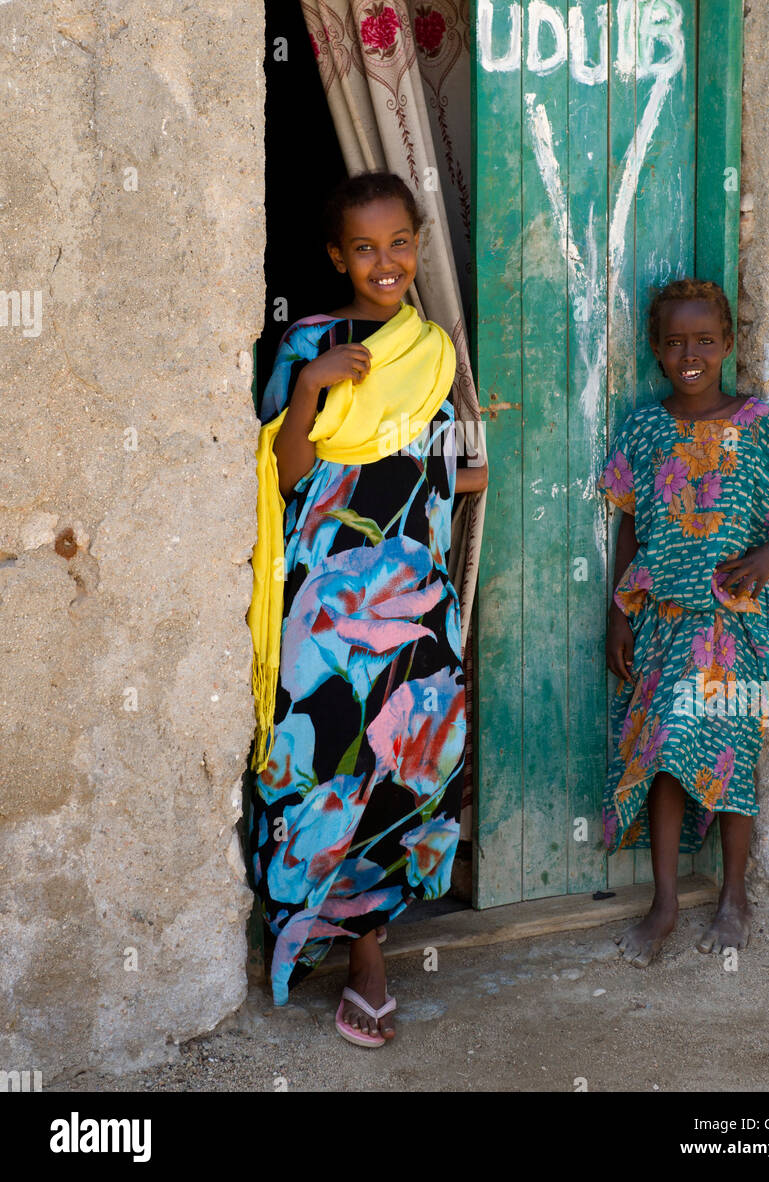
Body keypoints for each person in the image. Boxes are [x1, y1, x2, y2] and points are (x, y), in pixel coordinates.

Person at [247, 170, 487, 1045]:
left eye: (399, 245)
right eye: (363, 248)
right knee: (321, 766)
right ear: (334, 256)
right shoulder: (310, 342)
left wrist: (465, 467)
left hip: (413, 599)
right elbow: (286, 475)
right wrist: (312, 384)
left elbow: (446, 469)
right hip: (322, 607)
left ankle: (368, 950)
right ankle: (319, 937)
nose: (384, 262)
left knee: (408, 768)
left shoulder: (431, 350)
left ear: (417, 246)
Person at [597, 278, 769, 967]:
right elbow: (630, 522)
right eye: (675, 342)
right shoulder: (643, 428)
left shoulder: (755, 422)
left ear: (726, 344)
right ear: (656, 350)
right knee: (665, 754)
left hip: (736, 625)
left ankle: (735, 898)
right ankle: (664, 905)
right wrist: (618, 610)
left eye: (704, 340)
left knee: (732, 758)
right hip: (665, 623)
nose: (689, 353)